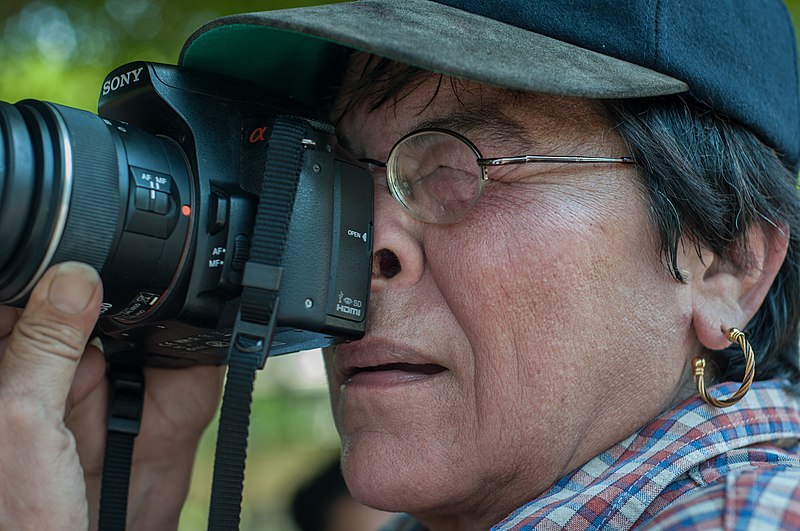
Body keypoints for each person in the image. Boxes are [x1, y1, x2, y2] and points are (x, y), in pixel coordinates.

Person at [2, 0, 800, 529]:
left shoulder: (748, 511)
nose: (365, 241)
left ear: (727, 262)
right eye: (335, 169)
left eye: (459, 163)